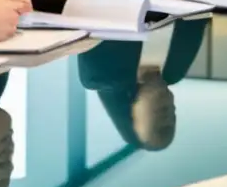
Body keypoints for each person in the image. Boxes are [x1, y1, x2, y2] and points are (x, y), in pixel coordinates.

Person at [78, 17, 208, 150]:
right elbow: (199, 18)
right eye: (173, 115)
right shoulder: (175, 71)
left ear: (130, 115)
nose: (170, 111)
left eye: (160, 112)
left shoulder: (101, 75)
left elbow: (94, 11)